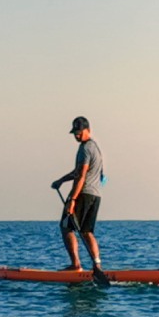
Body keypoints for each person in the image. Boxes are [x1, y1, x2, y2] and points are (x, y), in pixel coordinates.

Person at [51, 116, 105, 278]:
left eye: (79, 132)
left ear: (88, 130)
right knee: (87, 231)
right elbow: (83, 172)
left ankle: (76, 265)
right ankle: (97, 266)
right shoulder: (95, 148)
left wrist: (72, 200)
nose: (77, 135)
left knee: (66, 227)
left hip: (83, 194)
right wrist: (61, 180)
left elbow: (81, 176)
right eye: (75, 132)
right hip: (95, 195)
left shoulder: (85, 149)